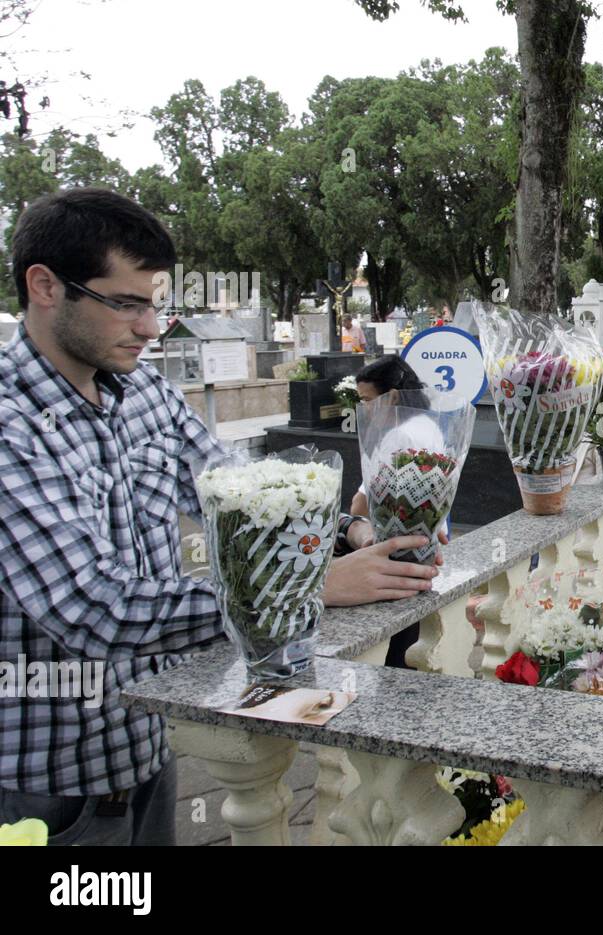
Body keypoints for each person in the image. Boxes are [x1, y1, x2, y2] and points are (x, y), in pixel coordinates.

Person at [0, 189, 439, 845]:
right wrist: (306, 586)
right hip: (51, 784)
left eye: (155, 303)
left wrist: (351, 528)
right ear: (44, 286)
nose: (151, 327)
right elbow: (89, 606)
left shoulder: (141, 390)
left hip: (149, 748)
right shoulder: (12, 425)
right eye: (127, 304)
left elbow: (240, 488)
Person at [348, 355, 453, 671]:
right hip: (424, 549)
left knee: (397, 652)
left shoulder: (402, 436)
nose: (363, 409)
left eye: (367, 400)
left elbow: (360, 506)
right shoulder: (424, 425)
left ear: (392, 396)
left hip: (399, 554)